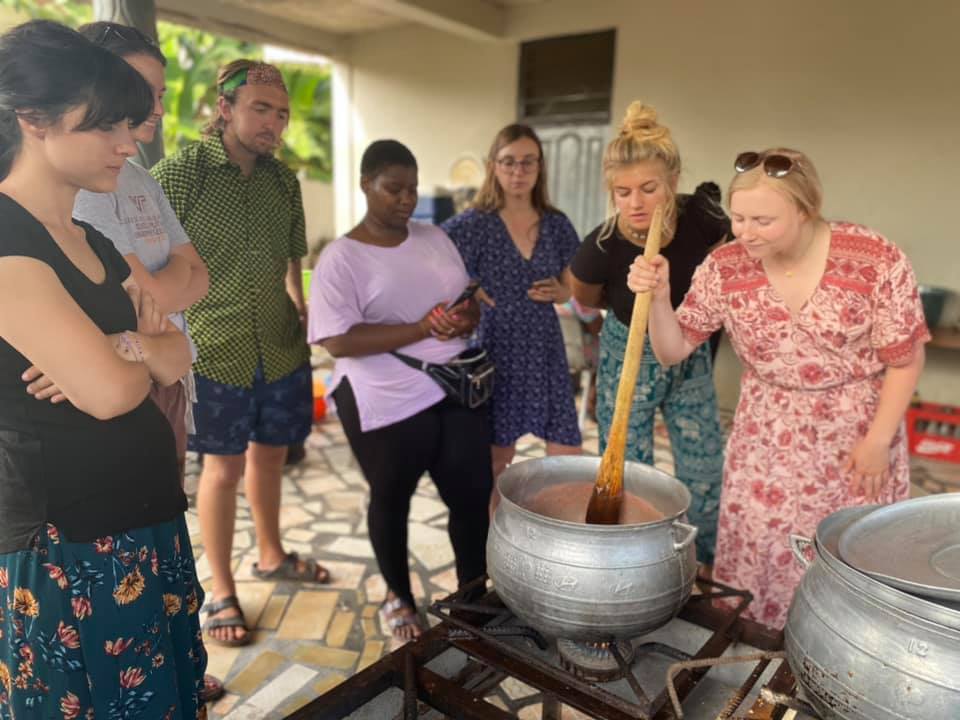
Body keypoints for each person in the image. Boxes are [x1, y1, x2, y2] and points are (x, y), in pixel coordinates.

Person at [627, 147, 928, 628]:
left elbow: (905, 360)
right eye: (740, 218)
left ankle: (835, 657)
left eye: (763, 220)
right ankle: (760, 657)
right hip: (765, 440)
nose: (746, 232)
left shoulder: (874, 259)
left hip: (854, 440)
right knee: (760, 554)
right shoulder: (725, 267)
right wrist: (660, 297)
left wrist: (877, 442)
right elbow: (673, 348)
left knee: (844, 556)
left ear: (806, 210)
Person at [0, 20, 206, 717]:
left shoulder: (87, 236)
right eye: (106, 126)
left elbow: (175, 354)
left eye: (131, 123)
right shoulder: (6, 239)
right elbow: (115, 393)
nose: (131, 142)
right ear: (34, 120)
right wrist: (133, 351)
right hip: (73, 551)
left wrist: (124, 347)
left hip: (144, 524)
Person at [72, 21, 223, 703]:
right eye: (144, 93)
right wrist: (164, 296)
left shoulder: (134, 174)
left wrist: (161, 299)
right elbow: (138, 293)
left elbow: (195, 277)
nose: (157, 111)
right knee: (122, 551)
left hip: (167, 370)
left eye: (158, 95)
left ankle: (177, 661)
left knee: (166, 526)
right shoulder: (76, 188)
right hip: (116, 387)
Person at [151, 59, 326, 648]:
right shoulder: (180, 175)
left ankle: (271, 554)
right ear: (223, 108)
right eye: (260, 109)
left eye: (280, 113)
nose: (273, 123)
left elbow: (293, 260)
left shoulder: (284, 183)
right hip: (212, 347)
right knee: (221, 469)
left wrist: (299, 305)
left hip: (277, 346)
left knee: (272, 456)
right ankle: (222, 587)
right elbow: (150, 267)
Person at [309, 140, 493, 642]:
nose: (406, 199)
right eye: (394, 189)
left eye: (412, 188)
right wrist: (421, 329)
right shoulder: (341, 258)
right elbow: (337, 339)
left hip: (453, 384)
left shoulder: (434, 237)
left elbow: (467, 299)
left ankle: (474, 596)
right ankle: (399, 596)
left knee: (471, 495)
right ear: (366, 184)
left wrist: (464, 316)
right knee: (392, 497)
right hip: (383, 394)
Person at [570, 102, 727, 566]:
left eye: (648, 189)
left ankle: (700, 559)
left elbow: (722, 261)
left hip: (689, 349)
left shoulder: (702, 220)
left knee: (702, 464)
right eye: (622, 192)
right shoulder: (601, 245)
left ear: (672, 182)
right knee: (627, 462)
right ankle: (632, 556)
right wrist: (624, 308)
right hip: (626, 350)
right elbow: (584, 295)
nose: (635, 203)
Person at [441, 124, 582, 484]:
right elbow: (431, 263)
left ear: (539, 167)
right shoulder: (473, 224)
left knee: (566, 455)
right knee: (496, 457)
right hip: (494, 348)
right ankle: (491, 534)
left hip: (543, 348)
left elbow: (573, 283)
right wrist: (467, 287)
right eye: (508, 163)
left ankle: (553, 533)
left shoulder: (557, 224)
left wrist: (563, 294)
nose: (518, 172)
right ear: (493, 166)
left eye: (527, 163)